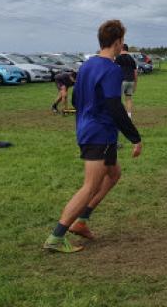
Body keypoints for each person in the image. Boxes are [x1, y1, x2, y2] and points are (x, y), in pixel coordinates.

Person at [43, 19, 143, 253]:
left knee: (113, 174)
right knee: (90, 186)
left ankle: (82, 221)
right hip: (99, 133)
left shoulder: (87, 65)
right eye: (122, 42)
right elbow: (114, 106)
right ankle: (56, 237)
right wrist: (135, 137)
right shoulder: (111, 69)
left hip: (88, 128)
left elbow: (77, 98)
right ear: (118, 42)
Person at [114, 44, 138, 118]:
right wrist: (135, 84)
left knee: (117, 99)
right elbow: (135, 73)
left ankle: (119, 115)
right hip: (131, 81)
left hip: (122, 81)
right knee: (128, 99)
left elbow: (114, 70)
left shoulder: (118, 58)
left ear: (121, 49)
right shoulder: (132, 59)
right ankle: (129, 116)